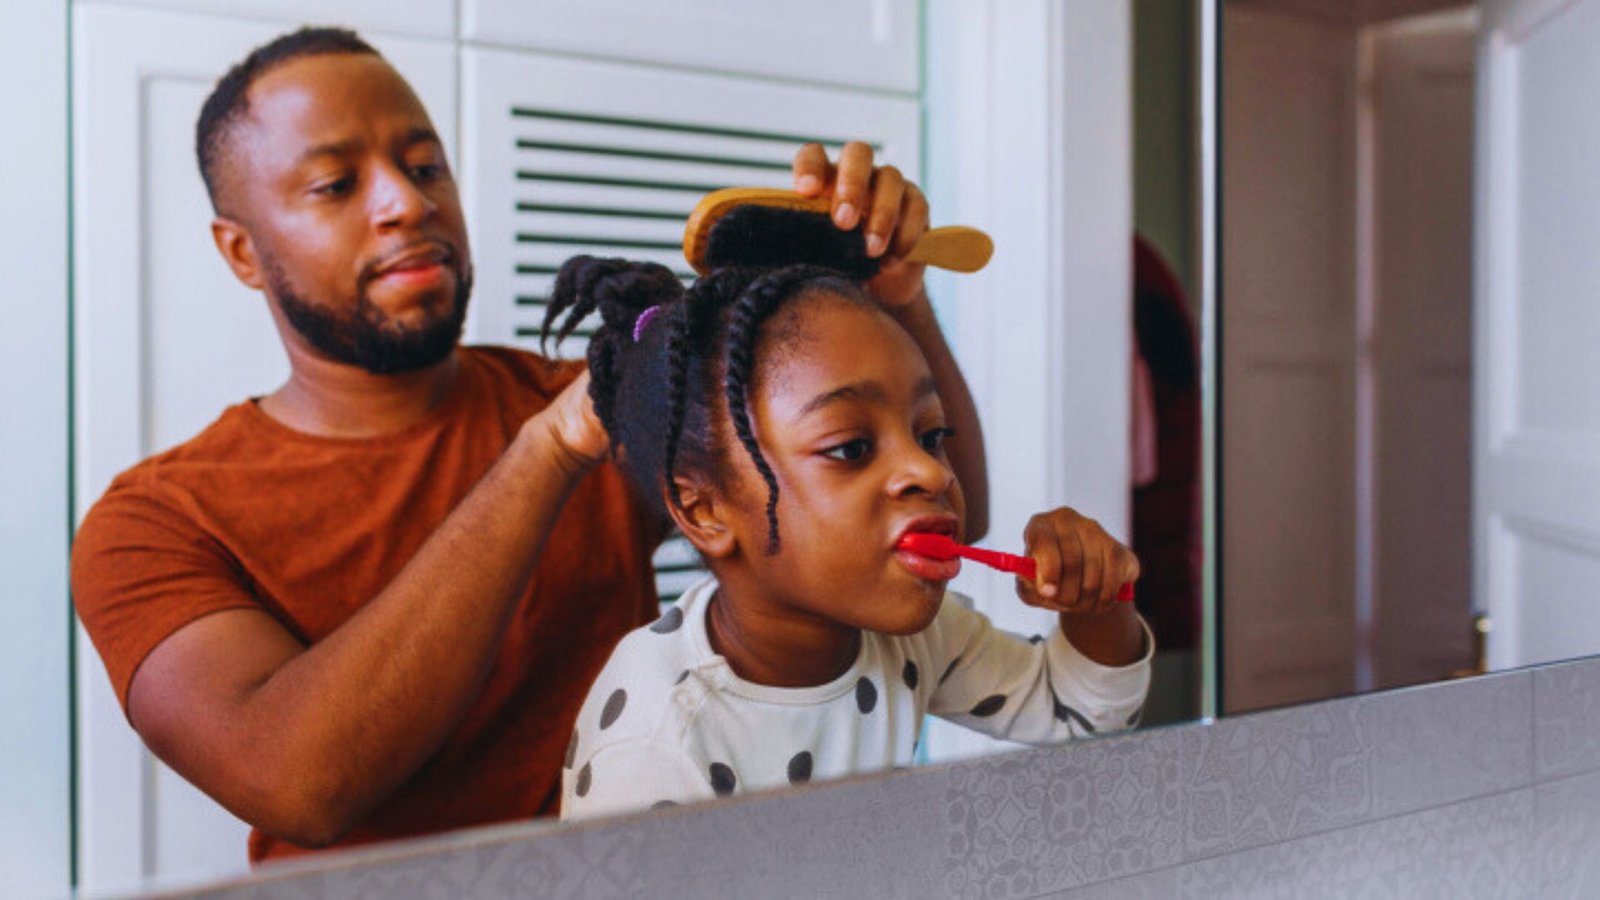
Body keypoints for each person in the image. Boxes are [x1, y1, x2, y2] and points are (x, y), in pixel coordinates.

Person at [69, 27, 987, 863]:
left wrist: (893, 295)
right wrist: (548, 451)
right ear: (240, 250)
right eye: (337, 185)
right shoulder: (153, 524)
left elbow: (921, 541)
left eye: (425, 167)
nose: (404, 203)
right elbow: (301, 784)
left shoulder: (596, 401)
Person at [547, 248, 1153, 821]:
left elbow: (1080, 715)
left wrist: (1098, 603)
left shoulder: (912, 640)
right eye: (851, 448)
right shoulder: (655, 745)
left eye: (932, 434)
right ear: (704, 511)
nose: (930, 471)